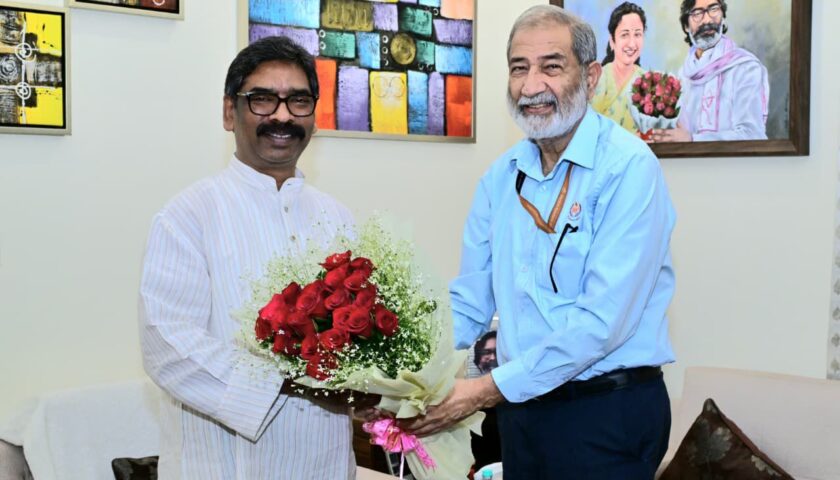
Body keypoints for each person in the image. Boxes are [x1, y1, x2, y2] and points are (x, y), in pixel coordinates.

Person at [399, 5, 675, 479]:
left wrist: (483, 391)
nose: (531, 86)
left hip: (606, 413)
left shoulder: (629, 169)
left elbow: (601, 323)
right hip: (521, 412)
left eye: (551, 66)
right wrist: (399, 368)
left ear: (591, 77)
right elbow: (469, 301)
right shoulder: (500, 177)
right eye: (518, 68)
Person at [138, 36, 368, 479]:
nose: (283, 116)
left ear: (314, 116)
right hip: (221, 466)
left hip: (327, 464)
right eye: (262, 99)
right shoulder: (188, 216)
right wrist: (293, 385)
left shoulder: (338, 219)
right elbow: (166, 345)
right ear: (230, 112)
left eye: (299, 101)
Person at [651, 0, 769, 142]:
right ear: (686, 26)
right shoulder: (682, 76)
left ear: (723, 16)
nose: (707, 20)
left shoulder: (745, 67)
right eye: (697, 13)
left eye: (713, 9)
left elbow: (753, 135)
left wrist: (693, 140)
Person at [591, 2, 647, 134]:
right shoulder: (600, 78)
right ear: (612, 40)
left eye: (637, 34)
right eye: (625, 35)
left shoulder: (647, 80)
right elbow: (590, 128)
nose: (632, 44)